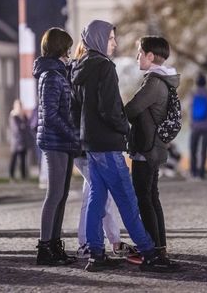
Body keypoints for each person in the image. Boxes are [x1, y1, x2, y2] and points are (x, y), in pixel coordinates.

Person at [71, 19, 174, 272]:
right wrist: (124, 129)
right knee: (127, 199)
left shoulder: (79, 67)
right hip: (107, 142)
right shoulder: (104, 67)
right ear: (98, 39)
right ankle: (149, 253)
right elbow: (110, 109)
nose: (115, 44)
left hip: (90, 142)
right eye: (110, 39)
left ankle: (96, 254)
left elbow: (77, 109)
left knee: (96, 198)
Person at [70, 42, 136, 260]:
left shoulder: (78, 73)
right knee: (98, 195)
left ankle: (96, 242)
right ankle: (91, 243)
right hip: (89, 144)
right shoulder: (91, 72)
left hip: (83, 143)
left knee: (94, 193)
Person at [125, 36, 180, 266]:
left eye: (139, 52)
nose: (137, 56)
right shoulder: (162, 80)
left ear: (149, 55)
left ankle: (152, 250)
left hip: (146, 148)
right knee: (151, 197)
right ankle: (159, 247)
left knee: (144, 199)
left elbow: (131, 109)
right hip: (154, 147)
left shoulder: (154, 83)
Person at [33, 27, 79, 266]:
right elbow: (51, 115)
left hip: (63, 140)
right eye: (68, 47)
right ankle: (44, 247)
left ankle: (54, 244)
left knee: (62, 194)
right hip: (55, 141)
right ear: (61, 47)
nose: (70, 52)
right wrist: (73, 135)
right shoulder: (50, 75)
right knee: (54, 194)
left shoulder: (59, 72)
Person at [189, 74, 207, 179]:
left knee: (193, 149)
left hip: (195, 126)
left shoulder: (193, 94)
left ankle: (193, 172)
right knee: (203, 150)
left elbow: (190, 109)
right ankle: (202, 172)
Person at [9, 99, 30, 181]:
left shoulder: (23, 116)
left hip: (23, 141)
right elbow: (16, 128)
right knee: (13, 160)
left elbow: (27, 126)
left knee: (23, 160)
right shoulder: (13, 116)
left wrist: (23, 126)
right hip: (16, 142)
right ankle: (11, 176)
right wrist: (23, 126)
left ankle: (23, 176)